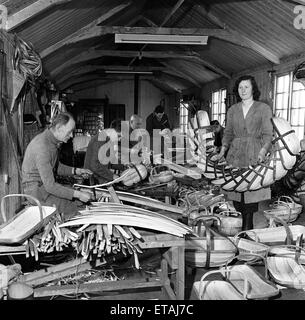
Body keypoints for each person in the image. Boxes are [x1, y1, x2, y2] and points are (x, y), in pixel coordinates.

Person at [215, 75, 273, 230]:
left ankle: (246, 233)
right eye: (240, 87)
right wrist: (222, 151)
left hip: (254, 153)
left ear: (253, 88)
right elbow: (227, 133)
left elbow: (268, 134)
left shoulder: (263, 108)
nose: (243, 90)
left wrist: (262, 151)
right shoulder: (232, 110)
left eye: (246, 87)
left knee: (251, 198)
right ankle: (244, 230)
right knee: (236, 197)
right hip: (235, 154)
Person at [22, 112, 93, 220]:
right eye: (69, 132)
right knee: (76, 209)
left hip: (43, 188)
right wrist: (78, 194)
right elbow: (50, 186)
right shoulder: (42, 147)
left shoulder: (50, 142)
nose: (71, 136)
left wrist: (76, 171)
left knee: (77, 200)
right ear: (59, 128)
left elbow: (55, 166)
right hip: (37, 193)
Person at [84, 117, 120, 184]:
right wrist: (112, 176)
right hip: (93, 181)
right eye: (119, 136)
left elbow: (110, 161)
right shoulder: (99, 140)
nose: (119, 139)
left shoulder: (108, 140)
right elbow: (94, 165)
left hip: (101, 179)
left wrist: (124, 166)